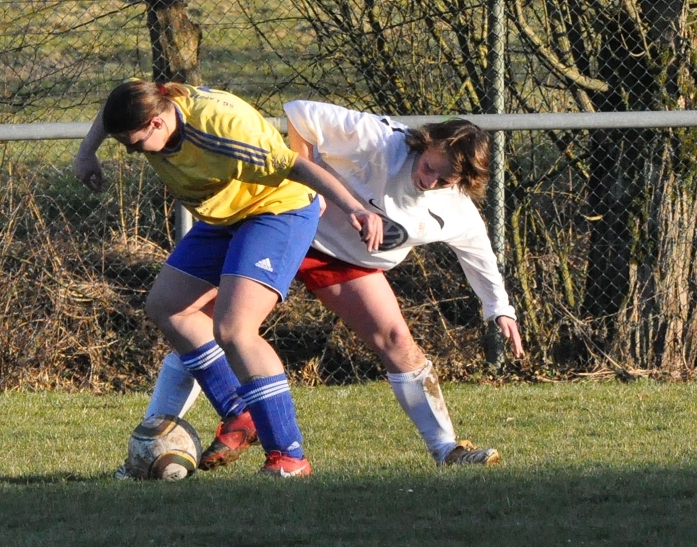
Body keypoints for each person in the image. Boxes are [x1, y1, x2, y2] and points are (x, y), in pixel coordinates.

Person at [130, 99, 525, 472]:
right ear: (429, 142)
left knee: (395, 339)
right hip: (281, 222)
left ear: (463, 181)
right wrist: (306, 187)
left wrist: (500, 308)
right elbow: (300, 114)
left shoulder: (457, 210)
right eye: (430, 166)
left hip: (341, 261)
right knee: (205, 323)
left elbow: (481, 259)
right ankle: (155, 438)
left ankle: (447, 449)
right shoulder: (383, 140)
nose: (432, 179)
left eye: (445, 179)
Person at [73, 81, 383, 478]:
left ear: (155, 122)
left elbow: (297, 166)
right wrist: (86, 152)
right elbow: (113, 102)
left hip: (277, 211)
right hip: (228, 214)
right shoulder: (144, 101)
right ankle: (240, 414)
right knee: (168, 307)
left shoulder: (225, 129)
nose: (132, 152)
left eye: (134, 144)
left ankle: (288, 456)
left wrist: (356, 210)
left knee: (236, 330)